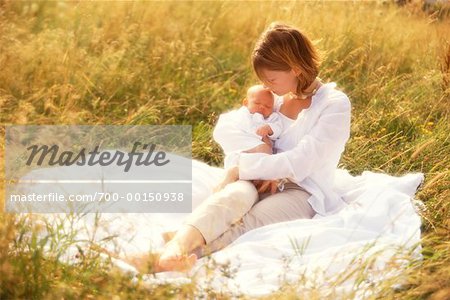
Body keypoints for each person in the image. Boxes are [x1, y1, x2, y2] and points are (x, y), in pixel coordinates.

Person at [128, 22, 352, 273]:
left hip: (302, 189)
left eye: (271, 78)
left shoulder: (334, 105)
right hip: (255, 177)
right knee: (229, 200)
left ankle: (156, 262)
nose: (266, 85)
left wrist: (240, 168)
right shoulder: (275, 97)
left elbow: (301, 162)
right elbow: (228, 125)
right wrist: (250, 166)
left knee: (250, 223)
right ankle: (174, 252)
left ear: (296, 69)